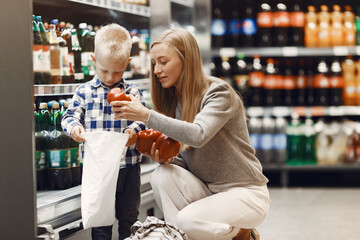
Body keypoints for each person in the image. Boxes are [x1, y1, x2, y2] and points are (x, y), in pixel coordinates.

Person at [111, 28, 270, 240]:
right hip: (208, 191)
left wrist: (146, 115)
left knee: (186, 221)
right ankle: (178, 236)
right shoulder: (174, 102)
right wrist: (169, 158)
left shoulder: (218, 92)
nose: (157, 70)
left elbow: (198, 135)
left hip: (245, 194)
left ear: (187, 60)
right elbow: (192, 156)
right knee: (162, 176)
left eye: (164, 61)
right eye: (154, 64)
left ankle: (242, 233)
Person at [61, 23, 146, 240]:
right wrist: (75, 128)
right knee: (101, 222)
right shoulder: (84, 92)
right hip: (98, 170)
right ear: (93, 60)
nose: (110, 77)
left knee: (129, 219)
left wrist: (132, 130)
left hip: (128, 168)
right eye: (104, 70)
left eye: (117, 71)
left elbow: (144, 120)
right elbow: (68, 116)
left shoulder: (133, 92)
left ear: (128, 63)